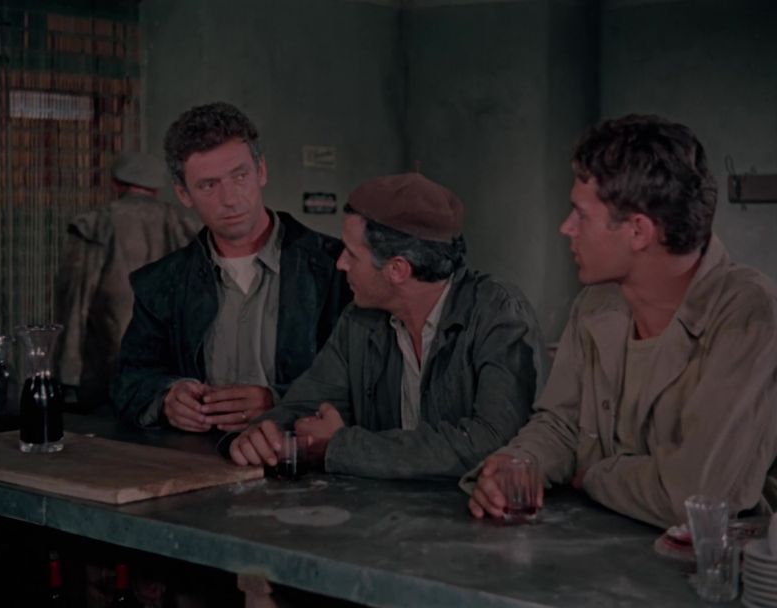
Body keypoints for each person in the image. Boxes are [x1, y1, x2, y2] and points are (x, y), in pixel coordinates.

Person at [466, 114, 777, 528]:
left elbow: (696, 496)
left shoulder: (748, 313)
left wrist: (594, 475)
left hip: (712, 561)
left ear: (638, 231)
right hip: (599, 547)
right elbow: (561, 425)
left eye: (580, 214)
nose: (565, 227)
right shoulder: (595, 304)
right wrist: (517, 466)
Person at [225, 172, 547, 479]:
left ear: (397, 270)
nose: (340, 263)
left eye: (352, 254)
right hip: (382, 512)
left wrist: (341, 447)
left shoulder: (498, 314)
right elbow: (304, 405)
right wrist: (262, 434)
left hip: (473, 514)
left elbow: (493, 444)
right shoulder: (358, 320)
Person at [111, 102, 350, 432]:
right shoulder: (162, 282)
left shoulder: (336, 268)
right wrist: (167, 398)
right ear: (183, 193)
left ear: (261, 171)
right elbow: (129, 381)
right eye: (209, 185)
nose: (230, 199)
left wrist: (280, 401)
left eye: (240, 176)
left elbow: (362, 384)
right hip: (196, 457)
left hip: (300, 455)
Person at [56, 151, 200, 410]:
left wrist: (68, 372)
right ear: (157, 186)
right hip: (172, 363)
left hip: (106, 354)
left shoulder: (97, 223)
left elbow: (75, 298)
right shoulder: (184, 223)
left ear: (115, 183)